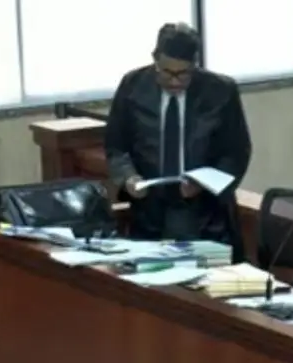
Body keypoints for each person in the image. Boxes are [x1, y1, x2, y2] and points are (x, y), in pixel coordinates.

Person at [104, 23, 252, 262]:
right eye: (166, 72)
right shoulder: (133, 86)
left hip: (204, 212)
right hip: (149, 209)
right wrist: (128, 178)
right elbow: (116, 146)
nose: (174, 82)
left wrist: (204, 184)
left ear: (195, 64)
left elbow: (237, 152)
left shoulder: (221, 91)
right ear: (155, 59)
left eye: (183, 74)